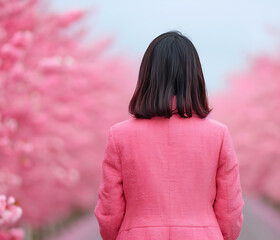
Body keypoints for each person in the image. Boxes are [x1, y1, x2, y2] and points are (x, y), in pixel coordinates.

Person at [94, 30, 244, 240]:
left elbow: (109, 213)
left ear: (147, 76)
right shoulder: (218, 135)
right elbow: (230, 212)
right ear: (195, 76)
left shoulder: (120, 135)